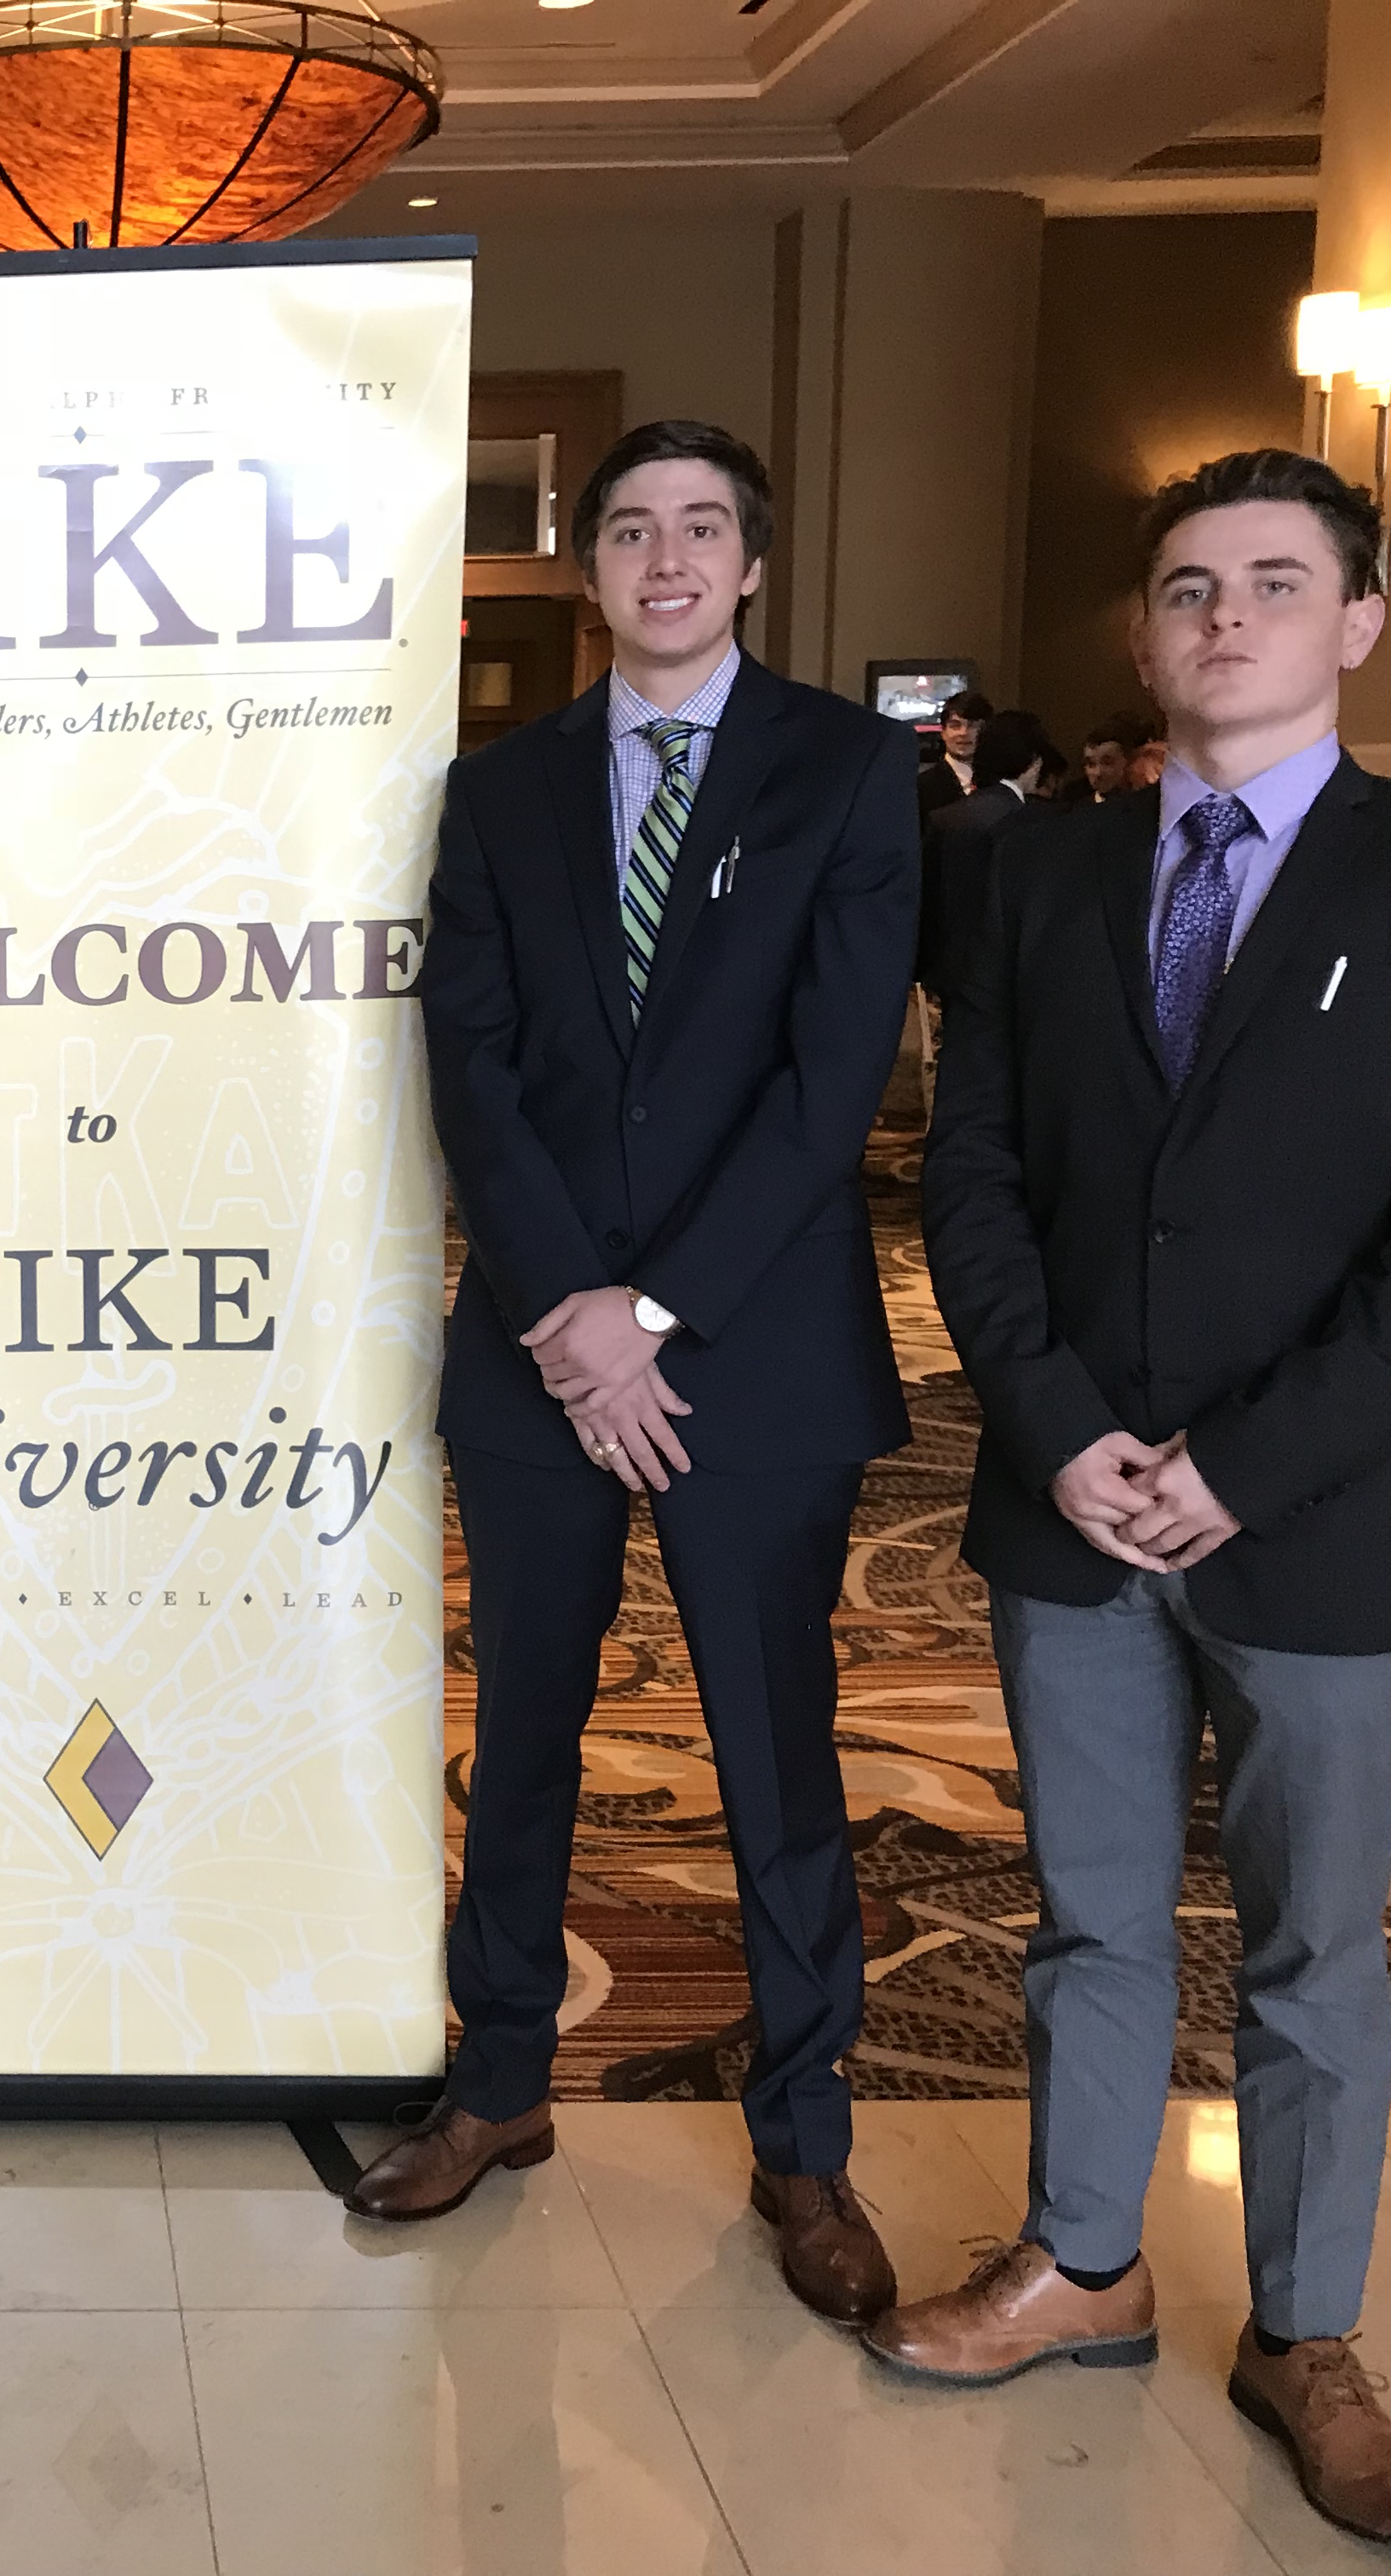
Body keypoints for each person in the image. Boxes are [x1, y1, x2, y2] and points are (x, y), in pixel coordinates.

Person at [879, 451, 1391, 2550]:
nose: (1227, 619)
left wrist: (1244, 1464)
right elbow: (973, 1177)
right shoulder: (1040, 875)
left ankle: (1307, 2337)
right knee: (1089, 1916)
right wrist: (1066, 1423)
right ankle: (1084, 2262)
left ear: (1356, 624)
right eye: (1190, 588)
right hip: (1065, 1495)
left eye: (1278, 583)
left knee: (1314, 1948)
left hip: (1318, 1514)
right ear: (1151, 631)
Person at [352, 422, 920, 2332]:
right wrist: (566, 1308)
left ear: (751, 564)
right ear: (587, 569)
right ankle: (499, 2082)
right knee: (518, 1739)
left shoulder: (846, 770)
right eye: (629, 529)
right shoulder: (497, 790)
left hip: (750, 1351)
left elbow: (826, 1084)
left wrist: (647, 1312)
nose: (665, 558)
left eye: (701, 529)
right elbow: (472, 1060)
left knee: (777, 1755)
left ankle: (804, 2138)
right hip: (535, 1352)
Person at [921, 707, 1054, 1010]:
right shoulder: (1033, 824)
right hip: (1010, 984)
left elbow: (927, 904)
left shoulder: (945, 818)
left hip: (949, 979)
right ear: (1034, 761)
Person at [917, 685, 992, 819]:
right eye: (955, 726)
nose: (964, 733)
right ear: (943, 732)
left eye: (973, 725)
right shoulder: (921, 786)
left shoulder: (998, 782)